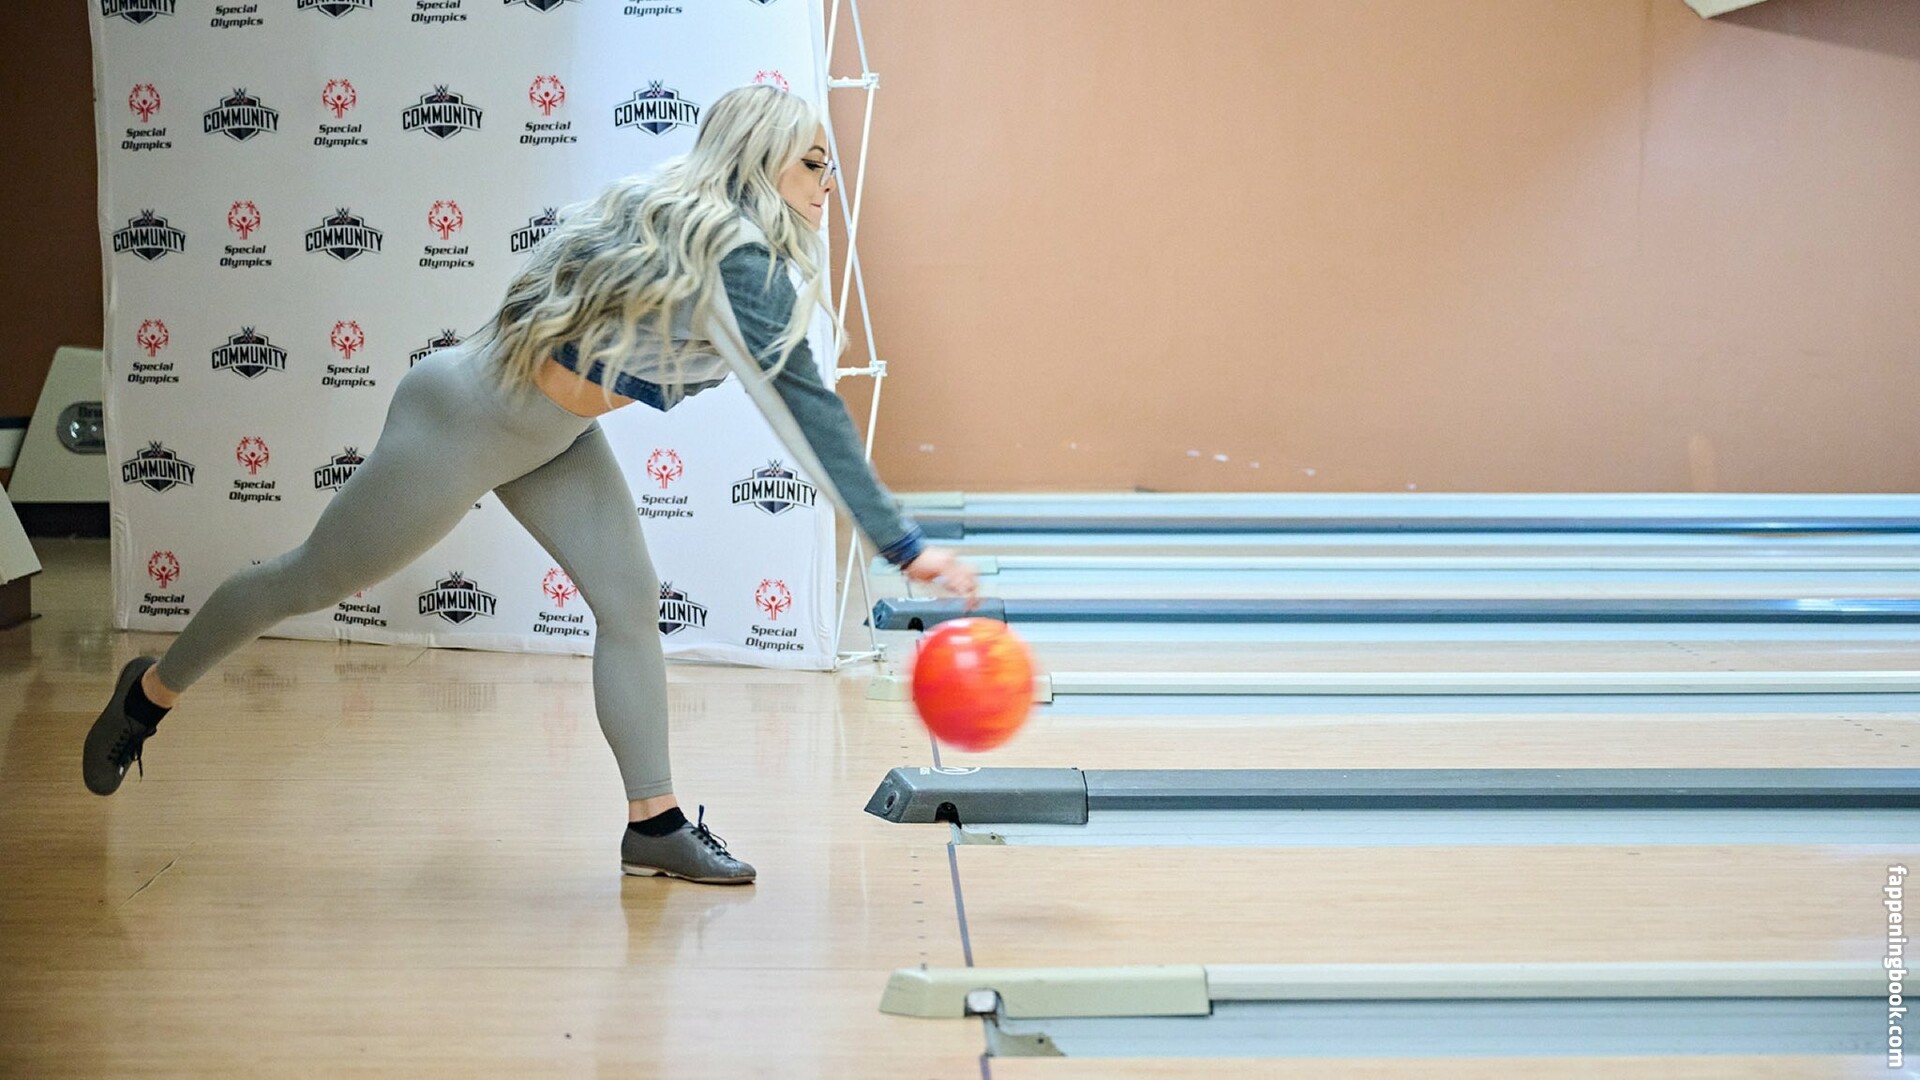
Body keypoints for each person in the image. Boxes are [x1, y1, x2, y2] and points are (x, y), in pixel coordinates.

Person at [83, 84, 979, 886]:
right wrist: (903, 545)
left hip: (552, 437)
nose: (829, 183)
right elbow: (806, 410)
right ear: (760, 161)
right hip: (464, 422)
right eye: (813, 163)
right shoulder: (730, 254)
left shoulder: (715, 242)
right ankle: (150, 692)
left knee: (629, 603)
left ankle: (655, 825)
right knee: (310, 578)